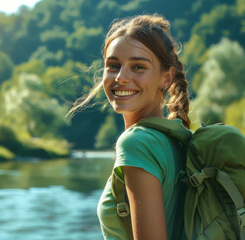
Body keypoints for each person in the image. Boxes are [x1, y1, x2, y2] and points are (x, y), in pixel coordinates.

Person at [69, 14, 190, 239]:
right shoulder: (179, 137)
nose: (122, 77)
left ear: (166, 78)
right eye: (113, 66)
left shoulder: (137, 142)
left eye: (138, 67)